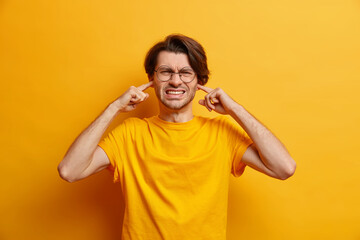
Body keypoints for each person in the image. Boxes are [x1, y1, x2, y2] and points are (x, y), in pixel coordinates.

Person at [58, 34, 296, 240]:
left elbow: (284, 168)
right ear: (152, 79)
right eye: (166, 72)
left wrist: (235, 109)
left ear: (199, 81)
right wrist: (113, 108)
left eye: (185, 73)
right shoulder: (130, 134)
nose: (175, 80)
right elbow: (70, 170)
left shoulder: (222, 133)